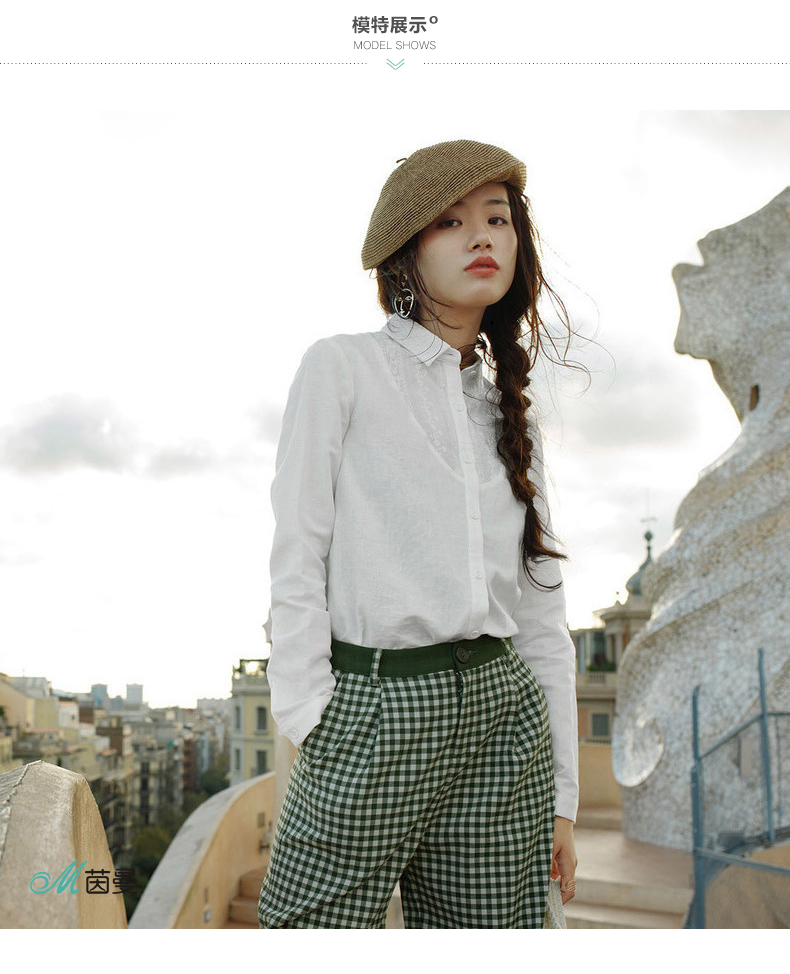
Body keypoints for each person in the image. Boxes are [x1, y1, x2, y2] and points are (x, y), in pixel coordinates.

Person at [257, 139, 578, 929]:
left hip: (503, 721)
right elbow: (298, 555)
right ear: (405, 253)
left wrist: (562, 797)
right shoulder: (341, 369)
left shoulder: (508, 414)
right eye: (450, 222)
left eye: (497, 219)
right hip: (374, 711)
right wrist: (312, 718)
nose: (482, 237)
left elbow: (541, 615)